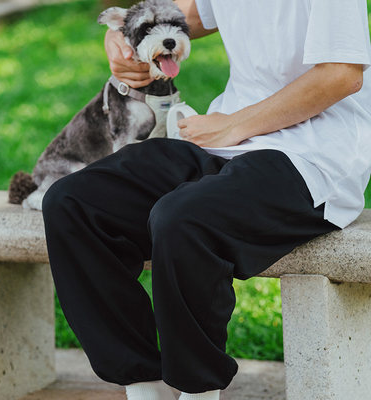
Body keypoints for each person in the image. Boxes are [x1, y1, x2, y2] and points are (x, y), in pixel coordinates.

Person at [41, 1, 371, 399]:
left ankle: (199, 391)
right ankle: (144, 388)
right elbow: (185, 17)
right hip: (222, 142)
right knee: (73, 204)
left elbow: (341, 74)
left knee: (182, 219)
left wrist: (234, 125)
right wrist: (120, 37)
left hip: (313, 159)